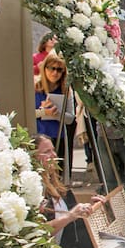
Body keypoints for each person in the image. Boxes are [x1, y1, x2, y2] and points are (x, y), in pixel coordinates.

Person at [34, 52, 76, 181]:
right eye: (51, 68)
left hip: (59, 136)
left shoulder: (66, 90)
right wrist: (44, 112)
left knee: (58, 174)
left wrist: (57, 113)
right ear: (45, 68)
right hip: (40, 136)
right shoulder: (35, 87)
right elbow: (29, 112)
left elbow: (71, 118)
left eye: (59, 70)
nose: (55, 73)